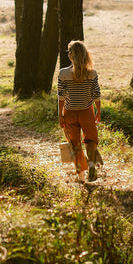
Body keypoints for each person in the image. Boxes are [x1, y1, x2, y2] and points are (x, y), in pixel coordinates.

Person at [58, 40, 101, 182]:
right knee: (90, 139)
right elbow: (96, 94)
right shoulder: (92, 73)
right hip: (87, 111)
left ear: (71, 55)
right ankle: (91, 165)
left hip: (69, 112)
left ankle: (81, 177)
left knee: (75, 144)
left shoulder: (63, 73)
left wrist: (60, 115)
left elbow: (61, 96)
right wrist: (98, 111)